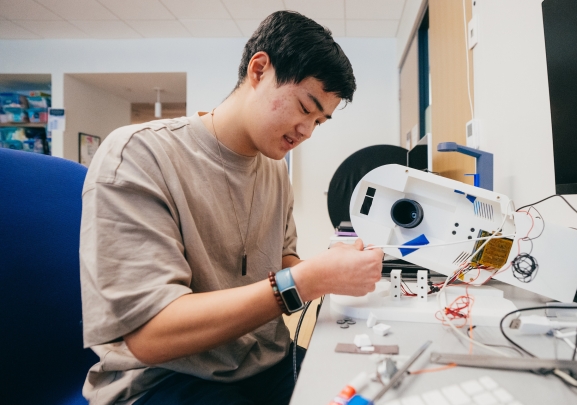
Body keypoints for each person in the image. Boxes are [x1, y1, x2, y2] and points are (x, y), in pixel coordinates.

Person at [79, 11, 384, 405]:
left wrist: (334, 270)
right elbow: (150, 335)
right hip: (166, 378)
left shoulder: (274, 169)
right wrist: (305, 281)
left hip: (262, 363)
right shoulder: (140, 154)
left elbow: (284, 260)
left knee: (370, 389)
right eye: (305, 108)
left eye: (319, 121)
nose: (307, 131)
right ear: (259, 70)